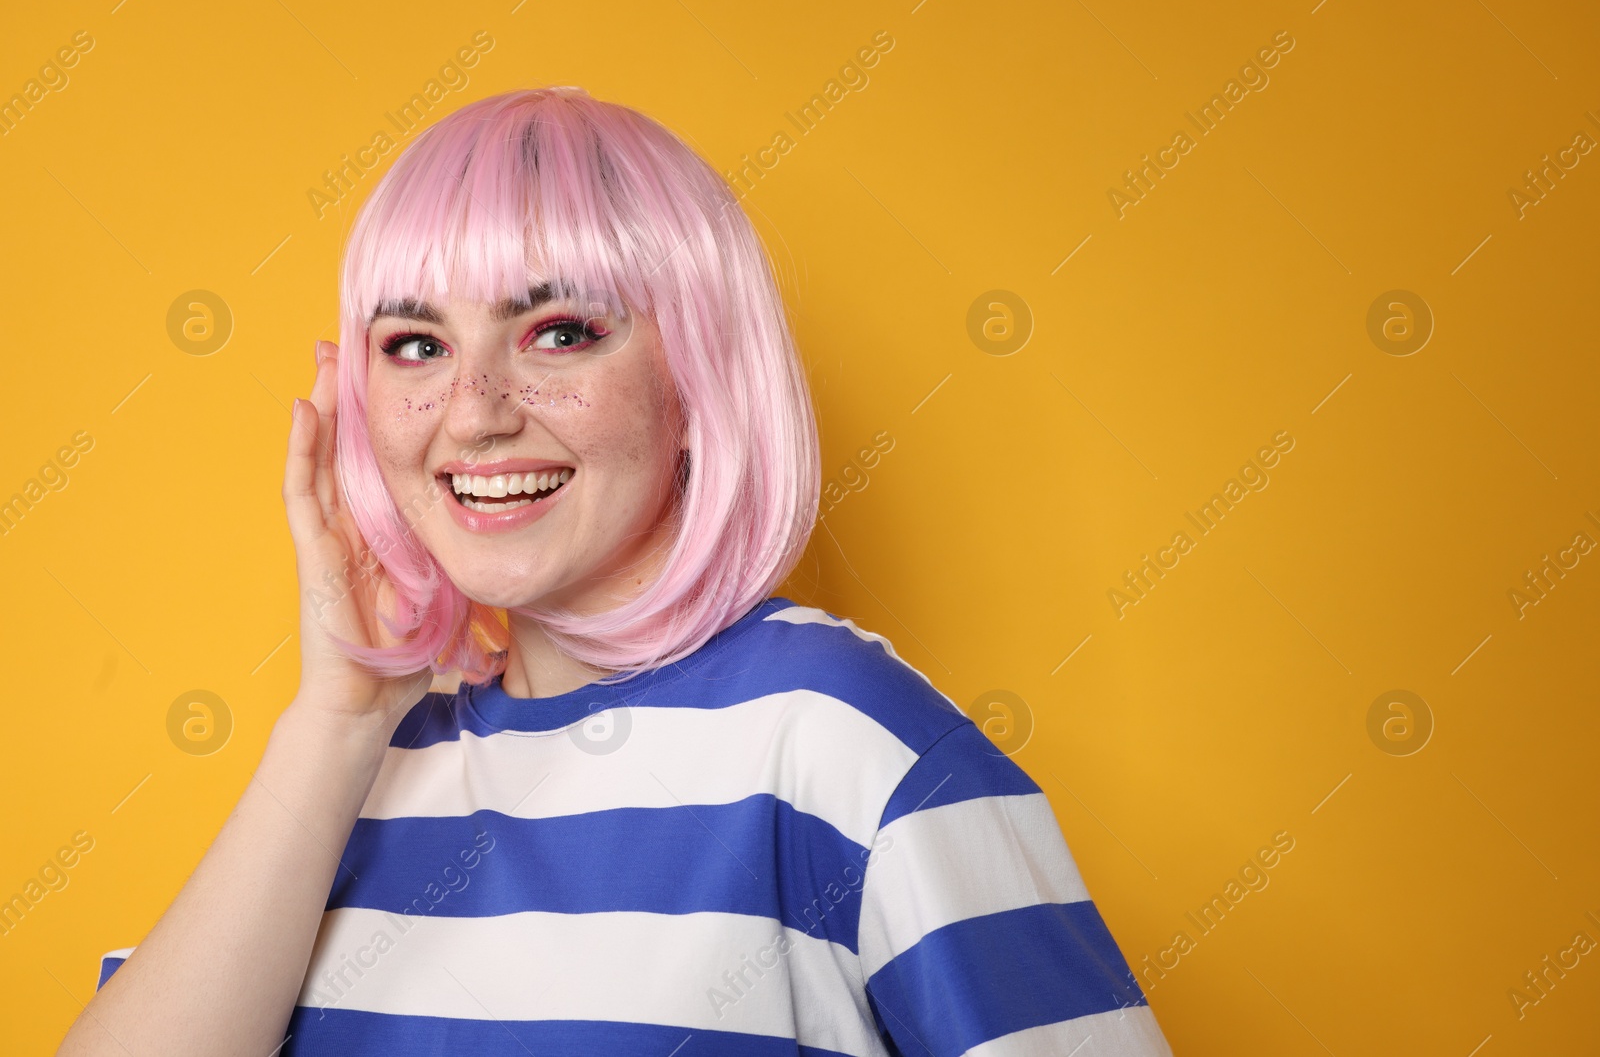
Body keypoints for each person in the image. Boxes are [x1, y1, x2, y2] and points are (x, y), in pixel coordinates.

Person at [59, 87, 1173, 1057]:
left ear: (698, 375)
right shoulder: (352, 770)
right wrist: (335, 720)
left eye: (557, 331)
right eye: (415, 344)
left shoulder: (834, 732)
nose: (475, 411)